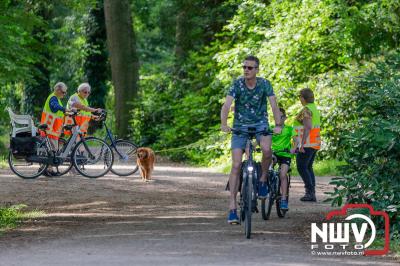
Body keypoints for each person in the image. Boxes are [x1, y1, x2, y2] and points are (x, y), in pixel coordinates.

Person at [221, 55, 282, 224]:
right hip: (240, 127)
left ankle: (262, 179)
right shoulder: (237, 84)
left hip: (261, 125)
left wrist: (278, 124)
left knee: (267, 150)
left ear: (257, 70)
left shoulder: (264, 84)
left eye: (249, 68)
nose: (246, 70)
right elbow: (226, 105)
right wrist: (224, 124)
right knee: (235, 165)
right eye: (244, 67)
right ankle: (232, 207)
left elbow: (274, 105)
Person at [294, 88, 321, 202]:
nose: (299, 99)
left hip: (307, 144)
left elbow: (308, 127)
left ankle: (309, 193)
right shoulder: (313, 108)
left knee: (302, 167)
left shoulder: (306, 110)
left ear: (303, 98)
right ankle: (311, 193)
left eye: (300, 97)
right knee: (308, 167)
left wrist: (301, 144)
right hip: (314, 143)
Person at [40, 82, 71, 175]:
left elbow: (58, 112)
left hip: (53, 129)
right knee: (52, 149)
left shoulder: (56, 98)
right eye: (63, 92)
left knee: (53, 149)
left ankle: (48, 169)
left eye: (65, 92)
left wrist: (67, 112)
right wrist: (64, 109)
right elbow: (55, 106)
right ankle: (44, 169)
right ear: (57, 90)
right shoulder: (53, 98)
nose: (64, 94)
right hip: (49, 128)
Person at [271, 107, 298, 210]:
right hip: (274, 153)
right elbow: (263, 139)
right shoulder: (271, 128)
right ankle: (267, 184)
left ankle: (283, 199)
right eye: (276, 116)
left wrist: (293, 148)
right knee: (268, 163)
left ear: (285, 118)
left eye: (280, 116)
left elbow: (296, 141)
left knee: (283, 174)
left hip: (285, 155)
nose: (278, 118)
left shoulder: (289, 129)